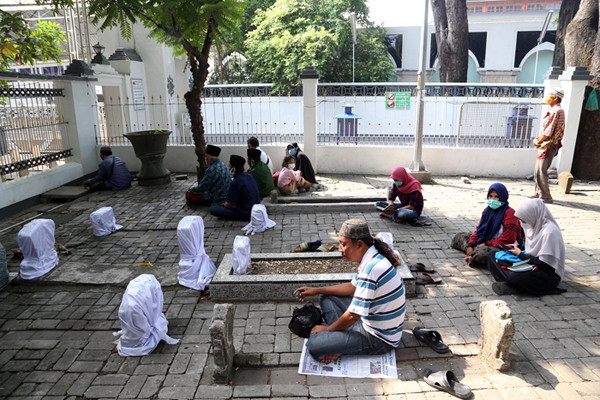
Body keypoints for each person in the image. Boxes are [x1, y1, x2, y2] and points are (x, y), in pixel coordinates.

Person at [294, 219, 406, 363]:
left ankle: (337, 342)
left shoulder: (371, 268)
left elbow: (353, 315)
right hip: (368, 323)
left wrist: (328, 330)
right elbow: (351, 287)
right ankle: (339, 339)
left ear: (359, 244)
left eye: (343, 244)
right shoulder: (372, 257)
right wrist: (316, 290)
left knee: (313, 344)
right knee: (326, 296)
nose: (340, 249)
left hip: (379, 339)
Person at [487, 198, 566, 296]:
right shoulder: (534, 225)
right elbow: (530, 250)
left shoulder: (549, 232)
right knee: (492, 255)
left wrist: (520, 254)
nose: (523, 223)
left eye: (524, 220)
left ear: (533, 215)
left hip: (547, 274)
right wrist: (516, 248)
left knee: (516, 278)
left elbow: (546, 265)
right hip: (531, 264)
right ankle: (513, 285)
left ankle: (513, 285)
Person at [451, 183, 523, 268]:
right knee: (459, 237)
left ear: (503, 197)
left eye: (496, 197)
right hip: (486, 240)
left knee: (482, 254)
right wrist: (471, 244)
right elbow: (479, 230)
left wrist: (486, 244)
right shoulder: (487, 211)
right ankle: (473, 251)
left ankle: (475, 255)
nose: (493, 199)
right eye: (490, 196)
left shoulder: (509, 213)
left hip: (503, 246)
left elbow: (508, 239)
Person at [532, 87, 565, 204]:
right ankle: (538, 193)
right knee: (537, 170)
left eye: (550, 95)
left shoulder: (556, 111)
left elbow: (548, 132)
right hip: (545, 145)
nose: (547, 97)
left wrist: (538, 140)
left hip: (548, 145)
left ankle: (546, 196)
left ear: (555, 98)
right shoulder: (555, 110)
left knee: (541, 170)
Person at [209, 155, 261, 221]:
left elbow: (229, 205)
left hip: (245, 213)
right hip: (256, 210)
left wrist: (224, 204)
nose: (229, 168)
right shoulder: (249, 176)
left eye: (229, 166)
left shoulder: (236, 182)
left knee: (213, 209)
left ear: (233, 169)